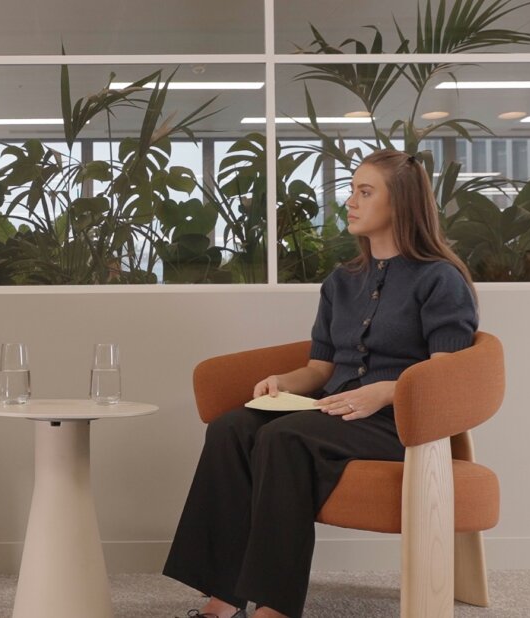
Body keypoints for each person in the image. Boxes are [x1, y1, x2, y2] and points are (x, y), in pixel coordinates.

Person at [163, 149, 478, 618]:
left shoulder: (440, 280)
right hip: (335, 409)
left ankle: (276, 607)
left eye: (365, 192)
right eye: (352, 190)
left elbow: (446, 373)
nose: (351, 201)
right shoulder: (342, 281)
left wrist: (385, 392)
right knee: (230, 428)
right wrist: (282, 381)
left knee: (282, 438)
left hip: (400, 424)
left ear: (401, 204)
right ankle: (223, 599)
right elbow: (321, 369)